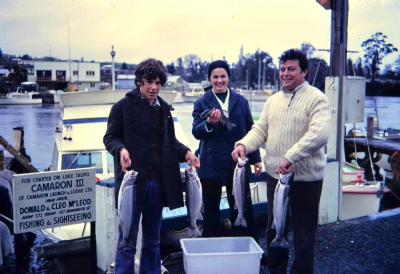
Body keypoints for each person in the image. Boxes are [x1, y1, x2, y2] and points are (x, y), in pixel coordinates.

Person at [232, 49, 331, 274]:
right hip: (275, 180)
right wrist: (243, 145)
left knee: (304, 237)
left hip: (305, 181)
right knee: (275, 230)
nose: (285, 73)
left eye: (291, 69)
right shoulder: (273, 101)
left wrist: (290, 157)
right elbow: (260, 130)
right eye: (283, 69)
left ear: (304, 71)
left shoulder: (317, 99)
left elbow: (319, 134)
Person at [103, 58, 200, 274]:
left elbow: (169, 143)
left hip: (157, 185)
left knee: (152, 240)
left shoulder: (164, 109)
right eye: (149, 82)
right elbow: (110, 137)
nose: (153, 87)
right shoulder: (122, 107)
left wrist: (186, 153)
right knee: (127, 239)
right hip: (131, 186)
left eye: (158, 82)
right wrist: (121, 150)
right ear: (139, 81)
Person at [192, 60, 262, 240]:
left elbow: (250, 129)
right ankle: (212, 253)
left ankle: (247, 248)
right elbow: (196, 131)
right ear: (209, 79)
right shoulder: (201, 102)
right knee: (211, 212)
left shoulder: (241, 101)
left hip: (237, 163)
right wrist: (209, 123)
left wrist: (256, 158)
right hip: (210, 165)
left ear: (228, 78)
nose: (219, 80)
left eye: (223, 76)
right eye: (215, 77)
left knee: (242, 207)